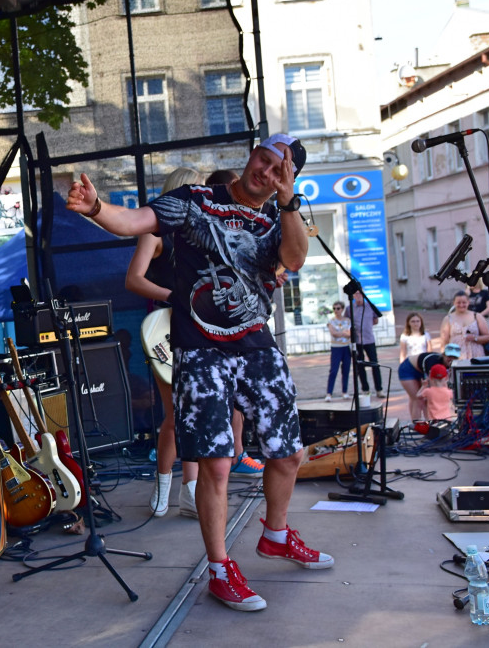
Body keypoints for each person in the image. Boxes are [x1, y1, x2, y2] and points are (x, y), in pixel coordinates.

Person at [68, 133, 332, 613]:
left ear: (288, 180)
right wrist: (95, 208)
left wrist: (290, 201)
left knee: (289, 453)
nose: (266, 172)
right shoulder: (195, 201)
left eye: (280, 170)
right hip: (203, 350)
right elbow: (134, 222)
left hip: (256, 346)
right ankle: (219, 568)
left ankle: (275, 534)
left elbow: (294, 258)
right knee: (216, 465)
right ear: (252, 155)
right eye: (264, 160)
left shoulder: (280, 216)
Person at [126, 167, 263, 520]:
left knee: (196, 414)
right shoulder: (155, 230)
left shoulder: (203, 230)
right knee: (173, 415)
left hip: (203, 328)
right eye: (197, 189)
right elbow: (134, 279)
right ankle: (163, 484)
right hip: (167, 327)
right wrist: (176, 296)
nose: (206, 196)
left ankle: (190, 492)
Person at [350, 290, 384, 398]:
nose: (358, 296)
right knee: (360, 365)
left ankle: (379, 389)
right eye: (355, 294)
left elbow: (376, 320)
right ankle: (365, 389)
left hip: (369, 340)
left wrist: (366, 326)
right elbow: (347, 320)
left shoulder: (370, 306)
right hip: (357, 342)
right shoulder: (350, 308)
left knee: (374, 364)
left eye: (360, 294)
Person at [441, 290, 489, 361]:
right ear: (454, 303)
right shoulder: (448, 318)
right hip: (455, 356)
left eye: (464, 302)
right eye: (458, 302)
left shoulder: (477, 316)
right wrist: (445, 358)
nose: (461, 305)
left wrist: (475, 338)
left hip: (476, 355)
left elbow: (488, 337)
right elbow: (444, 342)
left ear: (468, 302)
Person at [397, 312, 430, 420]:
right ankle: (415, 420)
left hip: (422, 366)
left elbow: (429, 351)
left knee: (424, 395)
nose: (416, 323)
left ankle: (428, 420)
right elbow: (402, 352)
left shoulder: (425, 334)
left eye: (417, 321)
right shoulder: (405, 336)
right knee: (414, 396)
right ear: (409, 323)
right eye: (413, 321)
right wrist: (402, 365)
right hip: (410, 365)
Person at [324, 301, 351, 402]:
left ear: (342, 309)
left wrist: (340, 333)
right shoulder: (331, 321)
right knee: (333, 370)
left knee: (346, 370)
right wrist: (343, 333)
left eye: (338, 308)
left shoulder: (348, 320)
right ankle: (329, 393)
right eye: (334, 308)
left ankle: (345, 392)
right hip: (336, 347)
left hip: (346, 347)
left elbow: (349, 334)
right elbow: (333, 333)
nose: (336, 311)